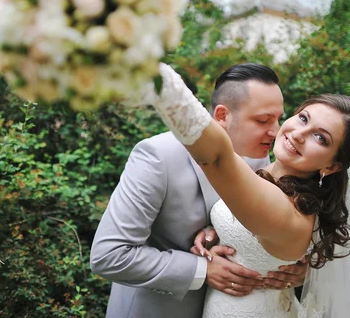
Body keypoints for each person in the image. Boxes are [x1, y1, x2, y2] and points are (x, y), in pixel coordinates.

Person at [144, 63, 350, 317]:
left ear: (332, 166)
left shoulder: (291, 214)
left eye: (321, 137)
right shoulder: (260, 164)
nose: (298, 134)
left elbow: (216, 157)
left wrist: (157, 75)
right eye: (303, 118)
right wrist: (216, 234)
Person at [90, 64, 308, 318]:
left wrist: (296, 269)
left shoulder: (261, 159)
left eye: (278, 118)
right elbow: (109, 255)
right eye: (262, 120)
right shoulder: (158, 156)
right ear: (222, 115)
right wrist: (203, 270)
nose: (275, 131)